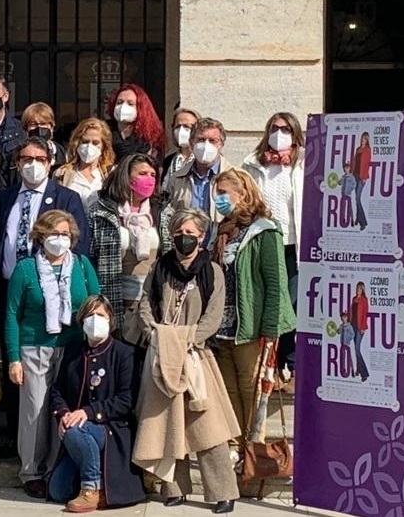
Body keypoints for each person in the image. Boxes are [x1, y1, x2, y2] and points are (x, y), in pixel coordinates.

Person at [133, 208, 240, 514]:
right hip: (161, 354)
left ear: (202, 237)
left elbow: (213, 316)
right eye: (179, 233)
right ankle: (174, 488)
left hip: (195, 355)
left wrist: (187, 339)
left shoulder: (212, 271)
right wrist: (154, 333)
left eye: (191, 234)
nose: (184, 238)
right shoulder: (160, 267)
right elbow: (146, 304)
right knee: (168, 424)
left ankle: (223, 492)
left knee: (208, 427)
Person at [5, 209, 100, 499]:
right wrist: (13, 358)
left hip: (71, 347)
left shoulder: (82, 266)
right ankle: (32, 471)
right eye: (52, 234)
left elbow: (95, 302)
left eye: (63, 234)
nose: (58, 239)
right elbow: (11, 314)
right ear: (40, 236)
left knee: (64, 410)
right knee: (35, 411)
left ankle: (58, 467)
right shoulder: (25, 269)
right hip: (34, 347)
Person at [211, 168, 295, 442]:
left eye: (223, 193)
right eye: (217, 192)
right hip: (222, 326)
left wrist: (271, 329)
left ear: (242, 193)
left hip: (251, 326)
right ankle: (234, 444)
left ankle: (252, 447)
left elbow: (276, 283)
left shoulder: (265, 231)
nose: (219, 198)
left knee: (252, 388)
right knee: (229, 389)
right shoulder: (222, 230)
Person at [47, 295, 145, 512]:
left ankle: (92, 487)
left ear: (110, 319)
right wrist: (63, 413)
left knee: (75, 431)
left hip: (112, 430)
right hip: (78, 429)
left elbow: (126, 400)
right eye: (90, 315)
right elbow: (57, 390)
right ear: (82, 321)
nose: (95, 320)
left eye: (100, 315)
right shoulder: (74, 352)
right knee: (58, 491)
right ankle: (87, 479)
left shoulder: (124, 352)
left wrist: (89, 412)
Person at [242, 112, 305, 393]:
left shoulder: (304, 163)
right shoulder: (254, 164)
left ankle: (290, 363)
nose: (280, 133)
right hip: (265, 242)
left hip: (294, 244)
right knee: (269, 304)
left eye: (286, 129)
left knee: (291, 305)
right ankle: (272, 366)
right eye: (275, 128)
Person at [88, 154, 161, 337]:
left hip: (151, 301)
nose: (149, 179)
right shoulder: (101, 211)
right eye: (143, 173)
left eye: (153, 175)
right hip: (114, 300)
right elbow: (89, 256)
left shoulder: (161, 210)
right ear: (126, 177)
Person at [161, 117, 232, 251]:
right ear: (191, 142)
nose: (206, 145)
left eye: (212, 141)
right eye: (201, 140)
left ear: (221, 144)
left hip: (221, 252)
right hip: (186, 253)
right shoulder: (177, 179)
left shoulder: (236, 178)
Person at [0, 102, 67, 189]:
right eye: (33, 124)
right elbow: (3, 185)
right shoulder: (13, 156)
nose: (39, 128)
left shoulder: (63, 154)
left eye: (43, 124)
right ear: (26, 129)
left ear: (52, 127)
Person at [55, 117, 115, 211]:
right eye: (85, 142)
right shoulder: (62, 173)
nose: (89, 146)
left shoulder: (111, 174)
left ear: (104, 146)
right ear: (77, 143)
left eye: (95, 143)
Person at [106, 83, 164, 163]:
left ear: (140, 108)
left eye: (130, 104)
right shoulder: (104, 133)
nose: (123, 107)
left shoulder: (149, 141)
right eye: (119, 102)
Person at [162, 108, 200, 193]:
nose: (181, 131)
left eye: (187, 126)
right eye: (178, 126)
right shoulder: (169, 160)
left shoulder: (201, 160)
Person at [351, 282, 370, 381]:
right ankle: (358, 369)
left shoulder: (364, 300)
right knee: (355, 348)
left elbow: (364, 315)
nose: (359, 290)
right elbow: (352, 313)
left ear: (363, 290)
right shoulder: (354, 299)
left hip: (360, 327)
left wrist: (362, 327)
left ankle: (364, 373)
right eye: (358, 288)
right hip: (352, 326)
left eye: (360, 289)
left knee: (357, 349)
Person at [352, 132, 372, 230]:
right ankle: (358, 218)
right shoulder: (358, 149)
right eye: (362, 138)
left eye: (365, 139)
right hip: (355, 175)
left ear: (367, 140)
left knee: (357, 198)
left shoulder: (367, 150)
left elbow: (367, 164)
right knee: (356, 198)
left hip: (361, 177)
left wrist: (364, 178)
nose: (363, 140)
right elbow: (355, 162)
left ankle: (363, 222)